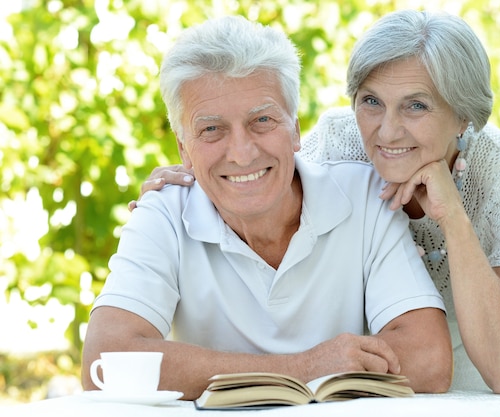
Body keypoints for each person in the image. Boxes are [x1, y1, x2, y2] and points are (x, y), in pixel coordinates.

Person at [134, 10, 500, 394]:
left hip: (472, 398)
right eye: (371, 101)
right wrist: (182, 187)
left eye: (416, 106)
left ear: (464, 115)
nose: (387, 132)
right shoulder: (339, 145)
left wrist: (454, 219)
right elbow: (254, 168)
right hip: (363, 393)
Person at [81, 15, 452, 400]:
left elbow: (428, 361)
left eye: (262, 120)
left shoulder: (366, 196)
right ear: (182, 148)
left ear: (295, 130)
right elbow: (106, 363)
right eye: (211, 129)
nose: (241, 154)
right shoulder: (163, 212)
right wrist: (306, 367)